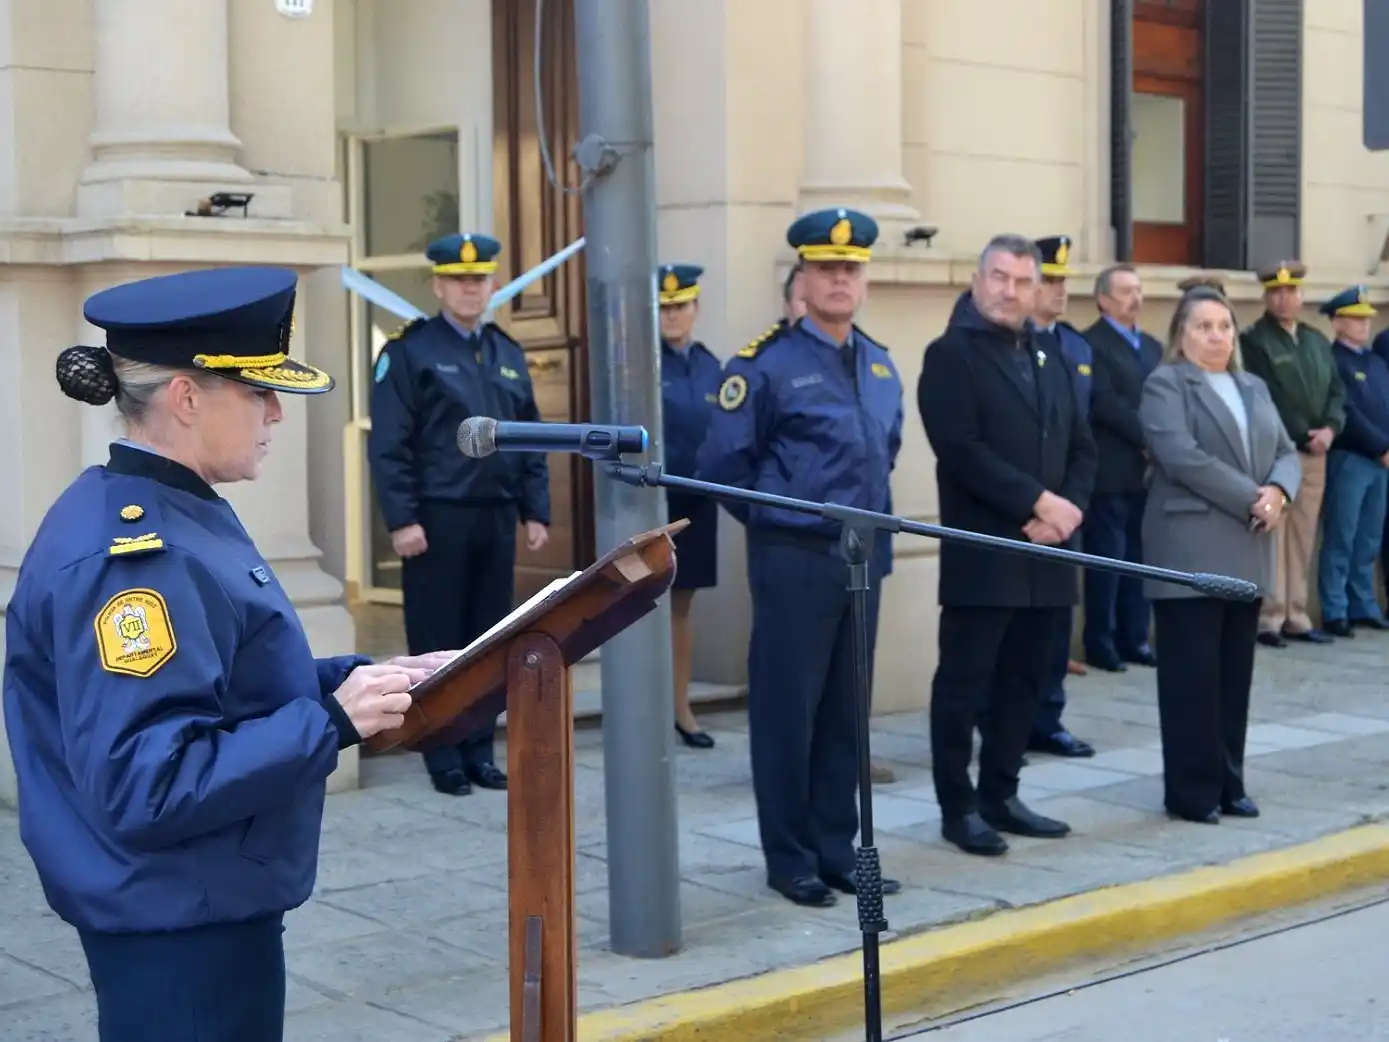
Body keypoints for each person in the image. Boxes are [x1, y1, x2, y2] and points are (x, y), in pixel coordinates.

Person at [2, 266, 453, 1042]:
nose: (276, 412)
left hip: (195, 901)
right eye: (257, 391)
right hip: (177, 922)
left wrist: (359, 681)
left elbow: (219, 682)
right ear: (185, 397)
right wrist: (330, 723)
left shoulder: (169, 508)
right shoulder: (138, 556)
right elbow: (147, 783)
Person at [696, 207, 904, 907]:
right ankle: (789, 859)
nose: (840, 279)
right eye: (826, 269)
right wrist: (783, 521)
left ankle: (836, 847)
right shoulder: (764, 365)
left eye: (851, 269)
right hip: (795, 559)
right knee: (788, 713)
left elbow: (884, 451)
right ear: (803, 280)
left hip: (861, 559)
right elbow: (723, 467)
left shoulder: (879, 362)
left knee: (845, 712)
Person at [918, 234, 1097, 857]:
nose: (1009, 291)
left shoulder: (1050, 352)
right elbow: (961, 449)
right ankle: (958, 807)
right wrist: (1037, 503)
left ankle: (1002, 793)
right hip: (985, 551)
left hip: (1048, 553)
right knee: (964, 684)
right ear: (977, 280)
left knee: (1026, 679)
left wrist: (1066, 512)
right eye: (999, 277)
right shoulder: (950, 354)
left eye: (1022, 281)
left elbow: (1082, 445)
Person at [369, 232, 551, 796]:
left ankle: (480, 749)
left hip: (495, 515)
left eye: (479, 280)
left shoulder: (506, 352)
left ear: (493, 285)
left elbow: (529, 438)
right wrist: (402, 518)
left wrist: (536, 509)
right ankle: (441, 752)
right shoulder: (410, 351)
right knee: (437, 642)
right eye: (459, 280)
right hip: (436, 518)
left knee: (491, 640)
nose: (470, 289)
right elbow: (389, 443)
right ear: (438, 286)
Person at [1139, 286, 1301, 823]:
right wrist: (1252, 497)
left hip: (1247, 546)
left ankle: (1230, 783)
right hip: (1190, 549)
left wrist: (1279, 491)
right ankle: (1192, 793)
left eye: (1225, 326)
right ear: (1181, 336)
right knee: (1192, 678)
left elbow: (1285, 451)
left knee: (1234, 676)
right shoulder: (1165, 384)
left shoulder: (1253, 386)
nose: (1216, 336)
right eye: (1203, 327)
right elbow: (1181, 456)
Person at [1239, 260, 1345, 647]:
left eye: (1290, 292)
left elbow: (1337, 390)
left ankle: (1296, 614)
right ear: (1266, 297)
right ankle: (1269, 616)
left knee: (1303, 534)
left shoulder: (1316, 340)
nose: (1283, 299)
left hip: (1318, 452)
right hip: (1278, 452)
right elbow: (1266, 397)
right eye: (1276, 293)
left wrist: (1330, 429)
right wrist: (1300, 435)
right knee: (1274, 534)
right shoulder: (1254, 341)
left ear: (1301, 296)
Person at [1024, 235, 1097, 759]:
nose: (1059, 290)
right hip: (1022, 510)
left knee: (1056, 622)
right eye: (1049, 280)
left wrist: (1070, 504)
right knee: (1012, 629)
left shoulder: (1074, 346)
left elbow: (1082, 435)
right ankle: (1003, 719)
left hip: (1065, 512)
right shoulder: (1005, 342)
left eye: (1063, 281)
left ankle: (1048, 718)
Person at [1080, 264, 1162, 672]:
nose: (1136, 298)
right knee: (1107, 559)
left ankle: (1136, 638)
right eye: (1126, 291)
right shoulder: (1090, 344)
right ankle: (1101, 641)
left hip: (1147, 474)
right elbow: (1104, 402)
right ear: (1103, 299)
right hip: (1111, 470)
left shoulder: (1151, 346)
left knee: (1139, 558)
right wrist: (1148, 437)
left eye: (1138, 289)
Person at [658, 262, 723, 748]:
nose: (672, 315)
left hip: (697, 503)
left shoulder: (710, 365)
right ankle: (645, 711)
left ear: (696, 308)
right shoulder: (640, 361)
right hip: (651, 502)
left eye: (680, 306)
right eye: (663, 307)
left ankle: (680, 708)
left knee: (681, 607)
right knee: (637, 608)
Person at [1315, 286, 1389, 634]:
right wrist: (1381, 447)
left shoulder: (1375, 362)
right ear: (1337, 322)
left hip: (1380, 463)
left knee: (1369, 538)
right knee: (1341, 536)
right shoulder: (1334, 361)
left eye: (1366, 319)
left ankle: (1363, 605)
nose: (1364, 325)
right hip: (1352, 458)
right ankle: (1335, 609)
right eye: (1355, 319)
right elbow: (1348, 412)